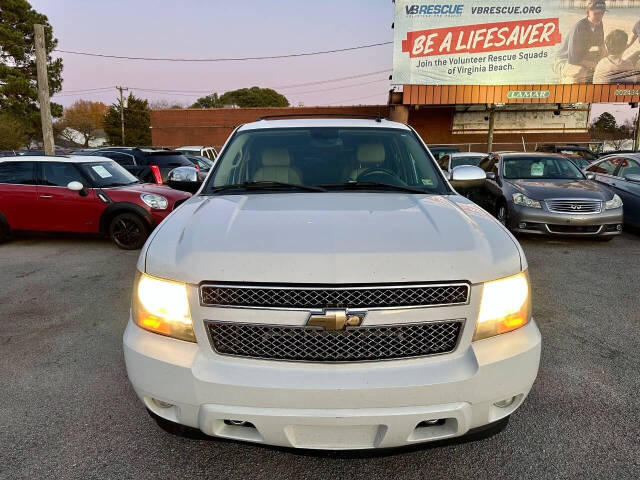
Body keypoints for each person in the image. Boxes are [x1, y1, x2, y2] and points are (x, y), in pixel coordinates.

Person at [554, 0, 607, 83]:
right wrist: (596, 65)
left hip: (581, 57)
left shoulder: (599, 24)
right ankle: (566, 79)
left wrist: (604, 62)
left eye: (602, 13)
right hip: (564, 60)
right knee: (581, 72)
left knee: (608, 57)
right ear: (588, 13)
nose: (599, 17)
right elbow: (573, 59)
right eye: (596, 13)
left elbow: (602, 46)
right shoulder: (580, 27)